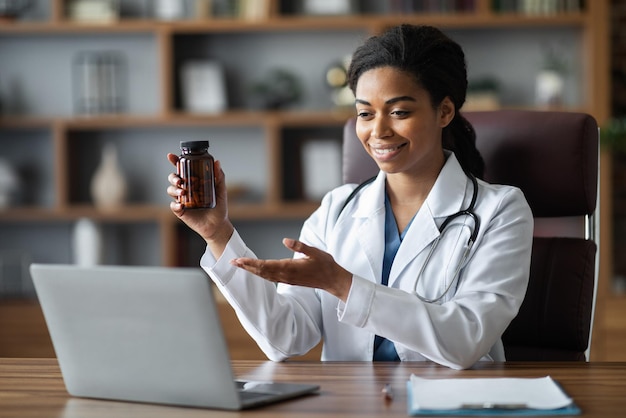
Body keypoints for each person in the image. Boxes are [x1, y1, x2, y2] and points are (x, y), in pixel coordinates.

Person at [166, 24, 533, 370]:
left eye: (399, 112)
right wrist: (218, 235)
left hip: (449, 403)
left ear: (445, 111)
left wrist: (341, 284)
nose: (379, 131)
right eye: (364, 113)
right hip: (352, 403)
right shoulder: (337, 209)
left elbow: (466, 340)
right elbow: (285, 338)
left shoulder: (499, 210)